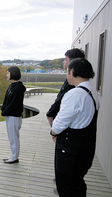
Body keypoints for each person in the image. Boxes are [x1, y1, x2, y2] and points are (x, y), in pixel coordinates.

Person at [50, 58, 99, 197]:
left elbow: (60, 122)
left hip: (70, 151)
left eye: (67, 71)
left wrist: (53, 132)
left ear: (72, 71)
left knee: (66, 187)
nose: (67, 75)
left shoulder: (75, 93)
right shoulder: (92, 91)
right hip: (86, 148)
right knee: (77, 184)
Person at [46, 48, 85, 124]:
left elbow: (62, 97)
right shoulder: (76, 80)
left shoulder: (74, 82)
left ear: (73, 61)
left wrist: (51, 113)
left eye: (65, 59)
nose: (64, 62)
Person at [1, 66, 26, 164]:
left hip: (14, 116)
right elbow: (7, 100)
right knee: (11, 137)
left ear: (13, 73)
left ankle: (15, 157)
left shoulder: (18, 88)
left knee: (14, 138)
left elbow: (14, 103)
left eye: (8, 73)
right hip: (10, 116)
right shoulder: (12, 85)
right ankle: (12, 155)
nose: (6, 75)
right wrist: (4, 110)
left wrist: (5, 112)